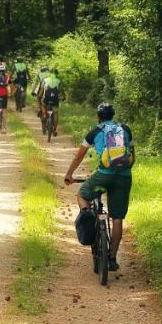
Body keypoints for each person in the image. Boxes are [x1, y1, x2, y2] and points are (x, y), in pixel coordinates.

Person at [62, 103, 134, 272]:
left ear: (98, 117)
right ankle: (112, 258)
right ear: (113, 115)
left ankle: (89, 219)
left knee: (82, 195)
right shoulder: (125, 129)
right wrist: (122, 173)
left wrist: (69, 175)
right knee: (117, 218)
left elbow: (80, 155)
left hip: (103, 176)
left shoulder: (95, 132)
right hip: (123, 177)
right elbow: (132, 155)